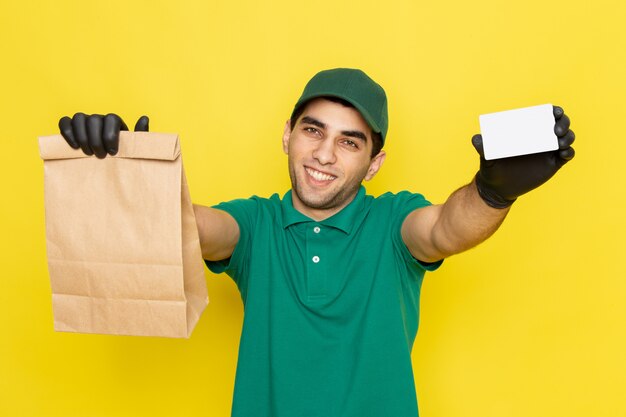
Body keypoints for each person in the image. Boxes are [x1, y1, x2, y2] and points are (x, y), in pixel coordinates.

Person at [57, 68, 575, 417]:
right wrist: (120, 172)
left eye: (349, 141)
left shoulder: (393, 220)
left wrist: (491, 192)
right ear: (288, 135)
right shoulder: (255, 223)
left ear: (373, 163)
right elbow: (188, 228)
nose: (324, 154)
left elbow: (445, 229)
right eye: (313, 131)